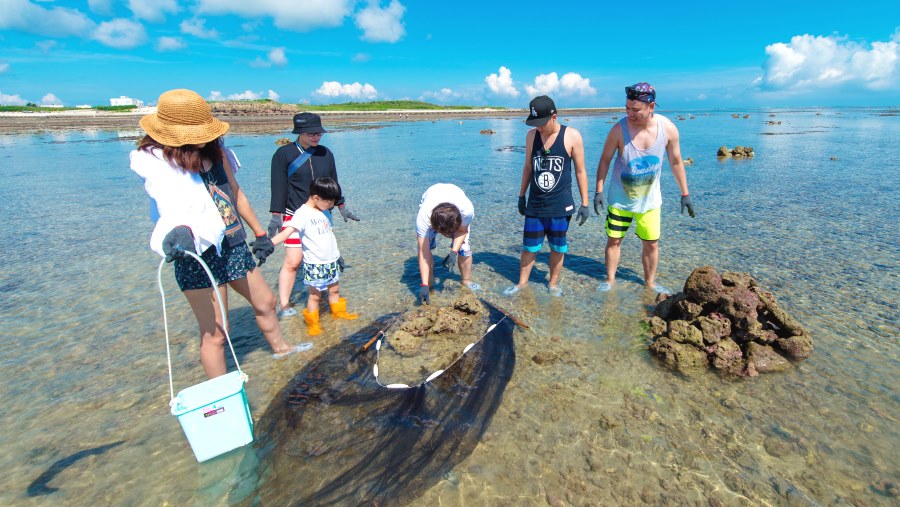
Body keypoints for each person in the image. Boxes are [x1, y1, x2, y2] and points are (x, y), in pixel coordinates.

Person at [130, 89, 311, 380]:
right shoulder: (161, 165)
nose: (204, 136)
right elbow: (169, 209)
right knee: (216, 332)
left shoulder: (216, 151)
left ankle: (282, 350)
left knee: (266, 302)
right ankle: (224, 392)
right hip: (196, 253)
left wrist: (260, 232)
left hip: (233, 243)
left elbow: (235, 193)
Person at [594, 82, 696, 293]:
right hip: (620, 199)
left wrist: (685, 193)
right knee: (614, 240)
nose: (630, 113)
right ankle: (610, 280)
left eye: (636, 110)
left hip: (650, 201)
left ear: (651, 107)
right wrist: (599, 191)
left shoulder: (667, 129)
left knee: (651, 244)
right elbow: (604, 160)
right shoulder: (618, 130)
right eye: (627, 108)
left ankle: (649, 283)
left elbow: (676, 161)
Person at [268, 112, 359, 319]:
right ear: (299, 132)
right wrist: (276, 215)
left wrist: (341, 205)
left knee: (322, 252)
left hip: (322, 214)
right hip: (294, 213)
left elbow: (333, 182)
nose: (316, 137)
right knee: (293, 261)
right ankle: (284, 304)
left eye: (319, 133)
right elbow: (278, 186)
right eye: (311, 133)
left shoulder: (325, 154)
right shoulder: (284, 154)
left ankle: (328, 301)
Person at [503, 95, 590, 297]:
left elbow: (580, 171)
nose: (539, 127)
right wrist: (521, 195)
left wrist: (585, 202)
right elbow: (527, 167)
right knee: (529, 247)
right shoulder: (531, 136)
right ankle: (522, 283)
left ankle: (553, 283)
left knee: (558, 247)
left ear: (554, 117)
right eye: (535, 123)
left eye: (542, 123)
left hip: (560, 206)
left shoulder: (572, 136)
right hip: (535, 204)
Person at [270, 177, 359, 335]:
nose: (332, 206)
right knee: (314, 296)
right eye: (330, 202)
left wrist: (337, 255)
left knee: (334, 290)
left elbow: (329, 235)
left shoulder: (324, 211)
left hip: (331, 261)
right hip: (315, 264)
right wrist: (269, 244)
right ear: (316, 197)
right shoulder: (302, 213)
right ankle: (313, 323)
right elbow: (287, 232)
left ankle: (338, 313)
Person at [415, 183, 479, 305]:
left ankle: (466, 281)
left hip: (455, 196)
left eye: (449, 233)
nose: (446, 236)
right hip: (432, 194)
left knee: (464, 248)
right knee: (426, 247)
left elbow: (462, 231)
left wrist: (453, 252)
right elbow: (424, 253)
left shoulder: (466, 211)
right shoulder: (423, 219)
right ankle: (429, 286)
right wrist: (423, 284)